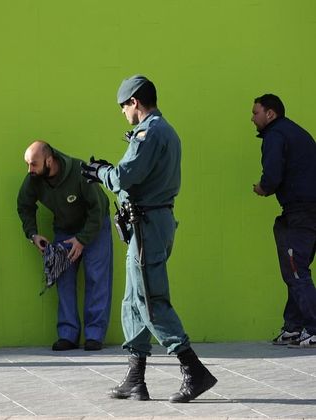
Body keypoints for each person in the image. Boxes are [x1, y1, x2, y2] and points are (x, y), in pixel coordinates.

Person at [81, 75, 216, 402]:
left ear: (135, 103)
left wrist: (101, 172)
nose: (123, 113)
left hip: (148, 226)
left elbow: (123, 176)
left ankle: (193, 369)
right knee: (132, 300)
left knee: (151, 300)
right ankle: (135, 377)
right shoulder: (164, 131)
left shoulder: (149, 133)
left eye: (123, 106)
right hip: (151, 223)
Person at [17, 141, 113, 351]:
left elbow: (97, 209)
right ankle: (68, 335)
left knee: (96, 277)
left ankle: (94, 335)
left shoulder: (79, 172)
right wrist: (32, 234)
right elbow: (24, 205)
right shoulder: (34, 178)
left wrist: (82, 240)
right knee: (63, 278)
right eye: (28, 164)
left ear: (49, 161)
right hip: (64, 228)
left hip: (95, 226)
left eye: (33, 164)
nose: (29, 170)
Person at [251, 94, 316, 349]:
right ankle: (293, 327)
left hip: (301, 211)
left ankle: (313, 327)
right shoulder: (295, 132)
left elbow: (272, 174)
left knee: (296, 269)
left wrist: (263, 188)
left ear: (270, 114)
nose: (252, 118)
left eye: (256, 112)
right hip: (306, 211)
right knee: (296, 270)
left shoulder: (275, 136)